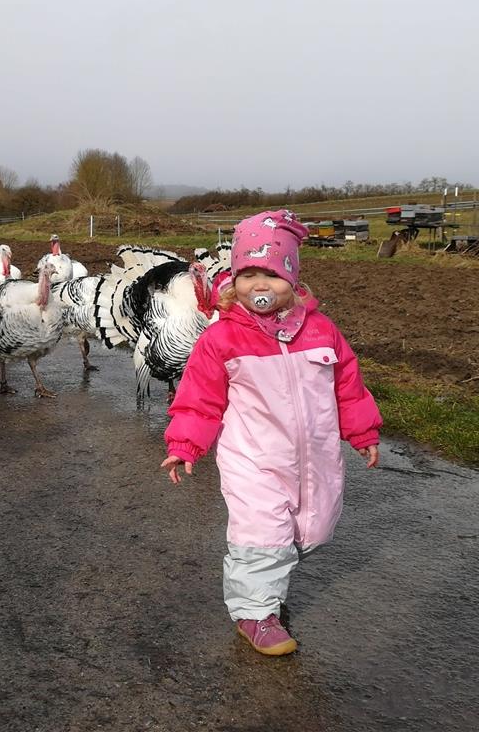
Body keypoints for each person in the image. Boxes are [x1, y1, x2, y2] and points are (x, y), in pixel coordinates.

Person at [159, 209, 382, 657]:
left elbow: (348, 387)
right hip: (254, 460)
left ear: (294, 279)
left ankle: (270, 575)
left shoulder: (321, 331)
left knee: (312, 531)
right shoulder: (222, 339)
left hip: (315, 458)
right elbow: (199, 397)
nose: (260, 286)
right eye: (248, 274)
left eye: (272, 275)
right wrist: (185, 444)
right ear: (235, 277)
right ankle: (254, 613)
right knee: (262, 534)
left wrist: (363, 432)